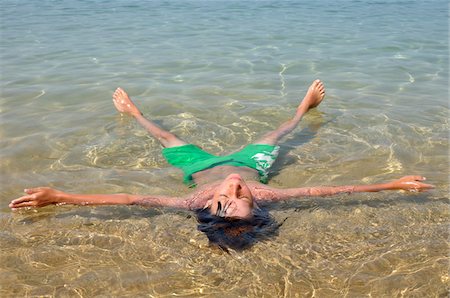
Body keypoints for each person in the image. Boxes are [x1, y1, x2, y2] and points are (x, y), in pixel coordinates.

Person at [9, 80, 433, 251]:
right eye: (243, 195)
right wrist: (392, 184)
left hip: (200, 164)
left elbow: (128, 197)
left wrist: (60, 196)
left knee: (166, 137)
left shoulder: (194, 197)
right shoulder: (266, 191)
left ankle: (134, 114)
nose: (234, 187)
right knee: (278, 134)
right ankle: (304, 109)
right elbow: (334, 191)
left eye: (228, 197)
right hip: (252, 160)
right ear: (257, 199)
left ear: (209, 207)